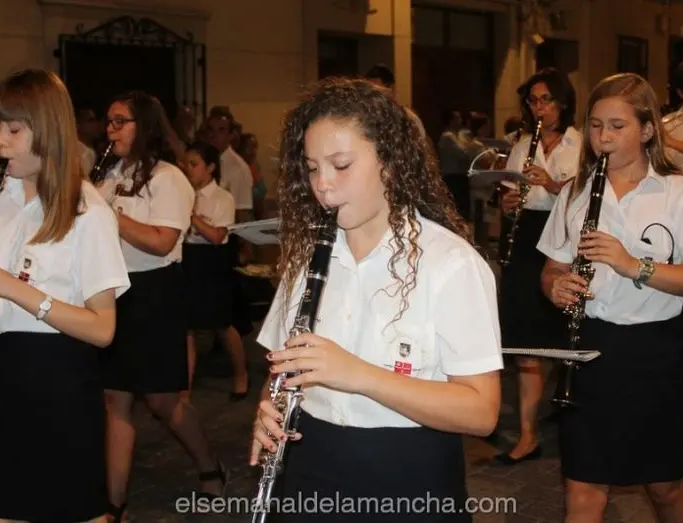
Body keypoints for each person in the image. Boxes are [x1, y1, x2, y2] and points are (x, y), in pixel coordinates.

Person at [249, 77, 503, 522]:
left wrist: (359, 374)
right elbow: (282, 366)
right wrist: (267, 407)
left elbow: (481, 411)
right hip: (311, 459)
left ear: (389, 161)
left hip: (407, 474)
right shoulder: (307, 256)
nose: (322, 185)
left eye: (341, 165)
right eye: (312, 168)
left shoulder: (450, 264)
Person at [538, 72, 683, 522]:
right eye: (596, 125)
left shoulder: (678, 192)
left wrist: (633, 266)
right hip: (589, 350)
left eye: (617, 126)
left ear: (646, 130)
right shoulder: (577, 191)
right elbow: (551, 268)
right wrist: (556, 286)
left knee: (664, 488)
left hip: (653, 351)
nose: (603, 137)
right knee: (583, 491)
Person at [0, 69, 130, 523]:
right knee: (2, 511)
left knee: (75, 511)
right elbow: (0, 312)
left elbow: (103, 329)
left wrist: (8, 284)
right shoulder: (1, 199)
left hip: (60, 379)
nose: (0, 141)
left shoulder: (87, 211)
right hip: (5, 372)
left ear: (48, 131)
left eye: (14, 130)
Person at [95, 91, 228, 522]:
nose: (110, 129)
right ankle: (115, 503)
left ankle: (210, 467)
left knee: (162, 402)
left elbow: (162, 242)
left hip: (155, 293)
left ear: (145, 126)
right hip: (114, 290)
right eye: (109, 121)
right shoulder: (108, 174)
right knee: (114, 399)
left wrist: (108, 215)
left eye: (120, 121)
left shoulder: (169, 177)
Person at [496, 67, 580, 464]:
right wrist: (508, 203)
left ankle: (569, 408)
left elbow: (588, 198)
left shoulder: (581, 144)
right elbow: (509, 194)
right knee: (526, 338)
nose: (539, 108)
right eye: (532, 101)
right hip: (526, 237)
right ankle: (528, 434)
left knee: (563, 334)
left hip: (565, 238)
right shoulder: (522, 144)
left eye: (546, 100)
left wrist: (551, 184)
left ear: (562, 102)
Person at [181, 140, 249, 401]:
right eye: (186, 164)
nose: (188, 169)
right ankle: (185, 388)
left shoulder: (223, 197)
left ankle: (241, 375)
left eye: (194, 164)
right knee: (187, 326)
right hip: (188, 259)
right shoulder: (183, 193)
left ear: (210, 167)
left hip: (211, 262)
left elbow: (218, 236)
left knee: (222, 324)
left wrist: (191, 216)